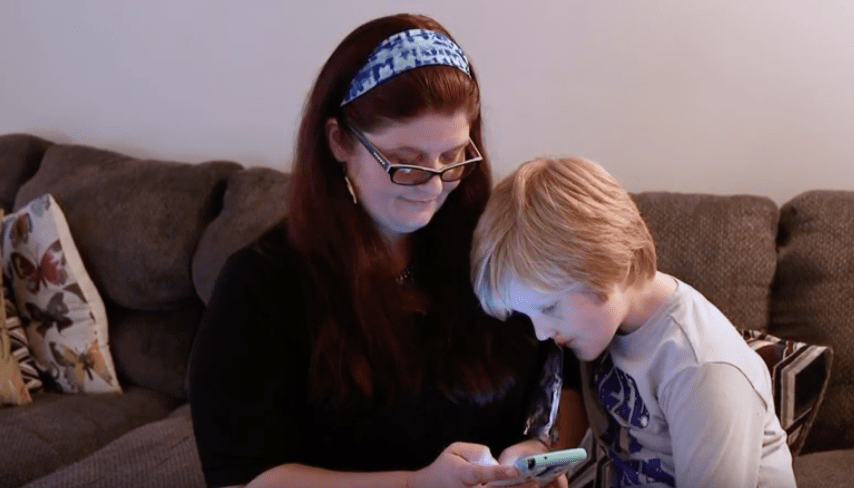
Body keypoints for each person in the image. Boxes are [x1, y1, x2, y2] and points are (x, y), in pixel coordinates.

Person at [188, 14, 585, 488]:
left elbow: (567, 375)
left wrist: (540, 453)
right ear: (339, 141)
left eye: (453, 157)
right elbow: (244, 477)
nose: (434, 186)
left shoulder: (494, 246)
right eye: (406, 162)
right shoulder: (261, 285)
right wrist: (415, 484)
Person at [470, 156, 797, 487]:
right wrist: (538, 456)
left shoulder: (701, 368)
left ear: (600, 260)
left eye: (550, 307)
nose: (542, 332)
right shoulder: (601, 328)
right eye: (528, 316)